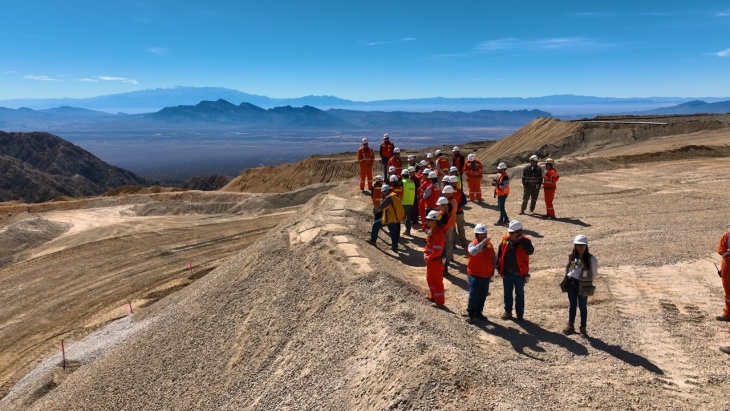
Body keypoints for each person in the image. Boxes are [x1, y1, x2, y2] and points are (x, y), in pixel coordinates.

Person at [561, 235, 598, 336]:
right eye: (578, 245)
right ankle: (571, 325)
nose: (580, 247)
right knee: (572, 305)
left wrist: (586, 282)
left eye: (582, 245)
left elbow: (594, 273)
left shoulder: (592, 259)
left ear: (586, 246)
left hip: (583, 285)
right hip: (571, 284)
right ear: (575, 246)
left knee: (582, 306)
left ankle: (583, 328)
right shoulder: (572, 257)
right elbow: (569, 270)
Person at [497, 220, 534, 321]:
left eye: (512, 233)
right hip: (507, 273)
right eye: (510, 232)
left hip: (520, 274)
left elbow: (530, 251)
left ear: (519, 232)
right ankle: (508, 312)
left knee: (520, 294)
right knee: (507, 293)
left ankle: (519, 314)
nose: (510, 234)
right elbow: (500, 254)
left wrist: (521, 240)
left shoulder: (526, 241)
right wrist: (499, 269)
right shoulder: (506, 240)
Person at [466, 224, 497, 320]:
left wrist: (495, 266)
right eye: (481, 235)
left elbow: (493, 257)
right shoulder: (472, 244)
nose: (483, 236)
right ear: (476, 235)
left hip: (486, 275)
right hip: (474, 275)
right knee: (474, 294)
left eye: (485, 234)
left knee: (483, 295)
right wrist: (482, 243)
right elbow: (472, 252)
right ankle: (471, 314)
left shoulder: (489, 245)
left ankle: (478, 313)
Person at [367, 184, 405, 252]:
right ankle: (394, 248)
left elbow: (381, 206)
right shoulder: (395, 195)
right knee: (394, 234)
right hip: (396, 218)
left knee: (375, 224)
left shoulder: (388, 198)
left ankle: (373, 240)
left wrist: (382, 198)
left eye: (383, 192)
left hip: (389, 218)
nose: (382, 193)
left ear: (387, 191)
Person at [424, 210, 446, 306]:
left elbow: (438, 251)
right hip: (430, 261)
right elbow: (427, 245)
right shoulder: (432, 231)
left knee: (437, 282)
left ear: (434, 221)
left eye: (429, 220)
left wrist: (428, 257)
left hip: (436, 262)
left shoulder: (438, 235)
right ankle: (433, 296)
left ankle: (439, 302)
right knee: (429, 279)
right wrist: (425, 253)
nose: (427, 222)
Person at [717, 228, 730, 321]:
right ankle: (728, 314)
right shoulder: (727, 236)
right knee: (728, 294)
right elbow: (721, 251)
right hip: (727, 269)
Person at [400, 169, 416, 236]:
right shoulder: (412, 183)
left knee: (399, 218)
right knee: (408, 218)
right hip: (410, 203)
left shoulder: (402, 182)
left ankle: (397, 233)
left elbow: (399, 192)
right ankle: (408, 231)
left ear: (402, 175)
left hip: (403, 203)